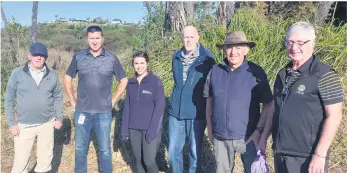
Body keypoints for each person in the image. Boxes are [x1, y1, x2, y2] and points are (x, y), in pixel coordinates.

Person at [260, 21, 344, 173]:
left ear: (312, 43)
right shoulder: (282, 74)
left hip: (307, 157)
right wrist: (263, 139)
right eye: (290, 42)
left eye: (300, 43)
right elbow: (274, 109)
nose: (293, 48)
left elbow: (335, 116)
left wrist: (320, 154)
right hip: (280, 154)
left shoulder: (325, 75)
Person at [204, 31, 274, 173]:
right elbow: (209, 99)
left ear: (246, 50)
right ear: (224, 50)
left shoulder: (255, 72)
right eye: (229, 47)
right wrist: (210, 128)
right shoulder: (215, 71)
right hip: (220, 136)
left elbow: (268, 104)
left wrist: (258, 131)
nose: (233, 52)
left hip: (248, 137)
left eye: (238, 47)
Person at [64, 25, 128, 173]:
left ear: (102, 39)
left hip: (103, 113)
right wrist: (73, 100)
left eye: (97, 38)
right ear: (87, 39)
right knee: (80, 148)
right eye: (91, 38)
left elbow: (123, 80)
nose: (94, 41)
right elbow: (67, 78)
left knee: (105, 149)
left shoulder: (111, 58)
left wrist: (113, 100)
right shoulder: (79, 57)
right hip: (82, 111)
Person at [5, 42, 63, 173]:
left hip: (47, 124)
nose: (39, 58)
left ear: (46, 58)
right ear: (29, 56)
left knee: (45, 160)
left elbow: (58, 96)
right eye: (35, 54)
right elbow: (8, 99)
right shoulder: (17, 73)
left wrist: (59, 117)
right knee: (20, 162)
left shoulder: (52, 74)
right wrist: (11, 123)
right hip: (23, 125)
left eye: (42, 55)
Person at [168, 25, 215, 173]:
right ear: (182, 38)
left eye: (191, 37)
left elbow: (211, 87)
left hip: (197, 113)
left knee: (195, 153)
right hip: (176, 112)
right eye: (185, 37)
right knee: (173, 153)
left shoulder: (207, 58)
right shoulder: (176, 57)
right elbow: (177, 83)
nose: (188, 40)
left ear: (198, 37)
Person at [121, 51, 165, 173]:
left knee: (149, 161)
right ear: (133, 65)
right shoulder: (130, 83)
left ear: (147, 63)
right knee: (138, 160)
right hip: (134, 129)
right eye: (136, 63)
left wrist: (152, 131)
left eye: (142, 63)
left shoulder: (155, 82)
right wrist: (125, 130)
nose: (139, 66)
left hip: (149, 129)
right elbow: (127, 107)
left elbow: (160, 107)